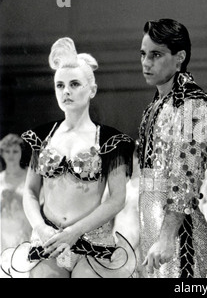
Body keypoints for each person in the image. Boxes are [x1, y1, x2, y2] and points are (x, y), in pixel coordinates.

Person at [2, 37, 136, 278]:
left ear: (92, 90)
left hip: (91, 243)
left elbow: (117, 199)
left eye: (74, 84)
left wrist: (75, 231)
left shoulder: (109, 140)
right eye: (60, 85)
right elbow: (31, 191)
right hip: (48, 242)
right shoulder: (42, 137)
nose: (66, 92)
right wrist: (40, 227)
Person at [137, 18, 207, 278]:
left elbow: (186, 177)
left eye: (156, 55)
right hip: (153, 230)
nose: (146, 62)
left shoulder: (195, 104)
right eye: (143, 54)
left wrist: (167, 236)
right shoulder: (155, 104)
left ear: (179, 57)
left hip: (180, 236)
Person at [0, 134, 32, 277]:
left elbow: (40, 205)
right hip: (3, 235)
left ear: (21, 152)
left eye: (15, 151)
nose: (11, 155)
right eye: (7, 151)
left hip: (25, 233)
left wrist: (18, 198)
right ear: (2, 153)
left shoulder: (30, 177)